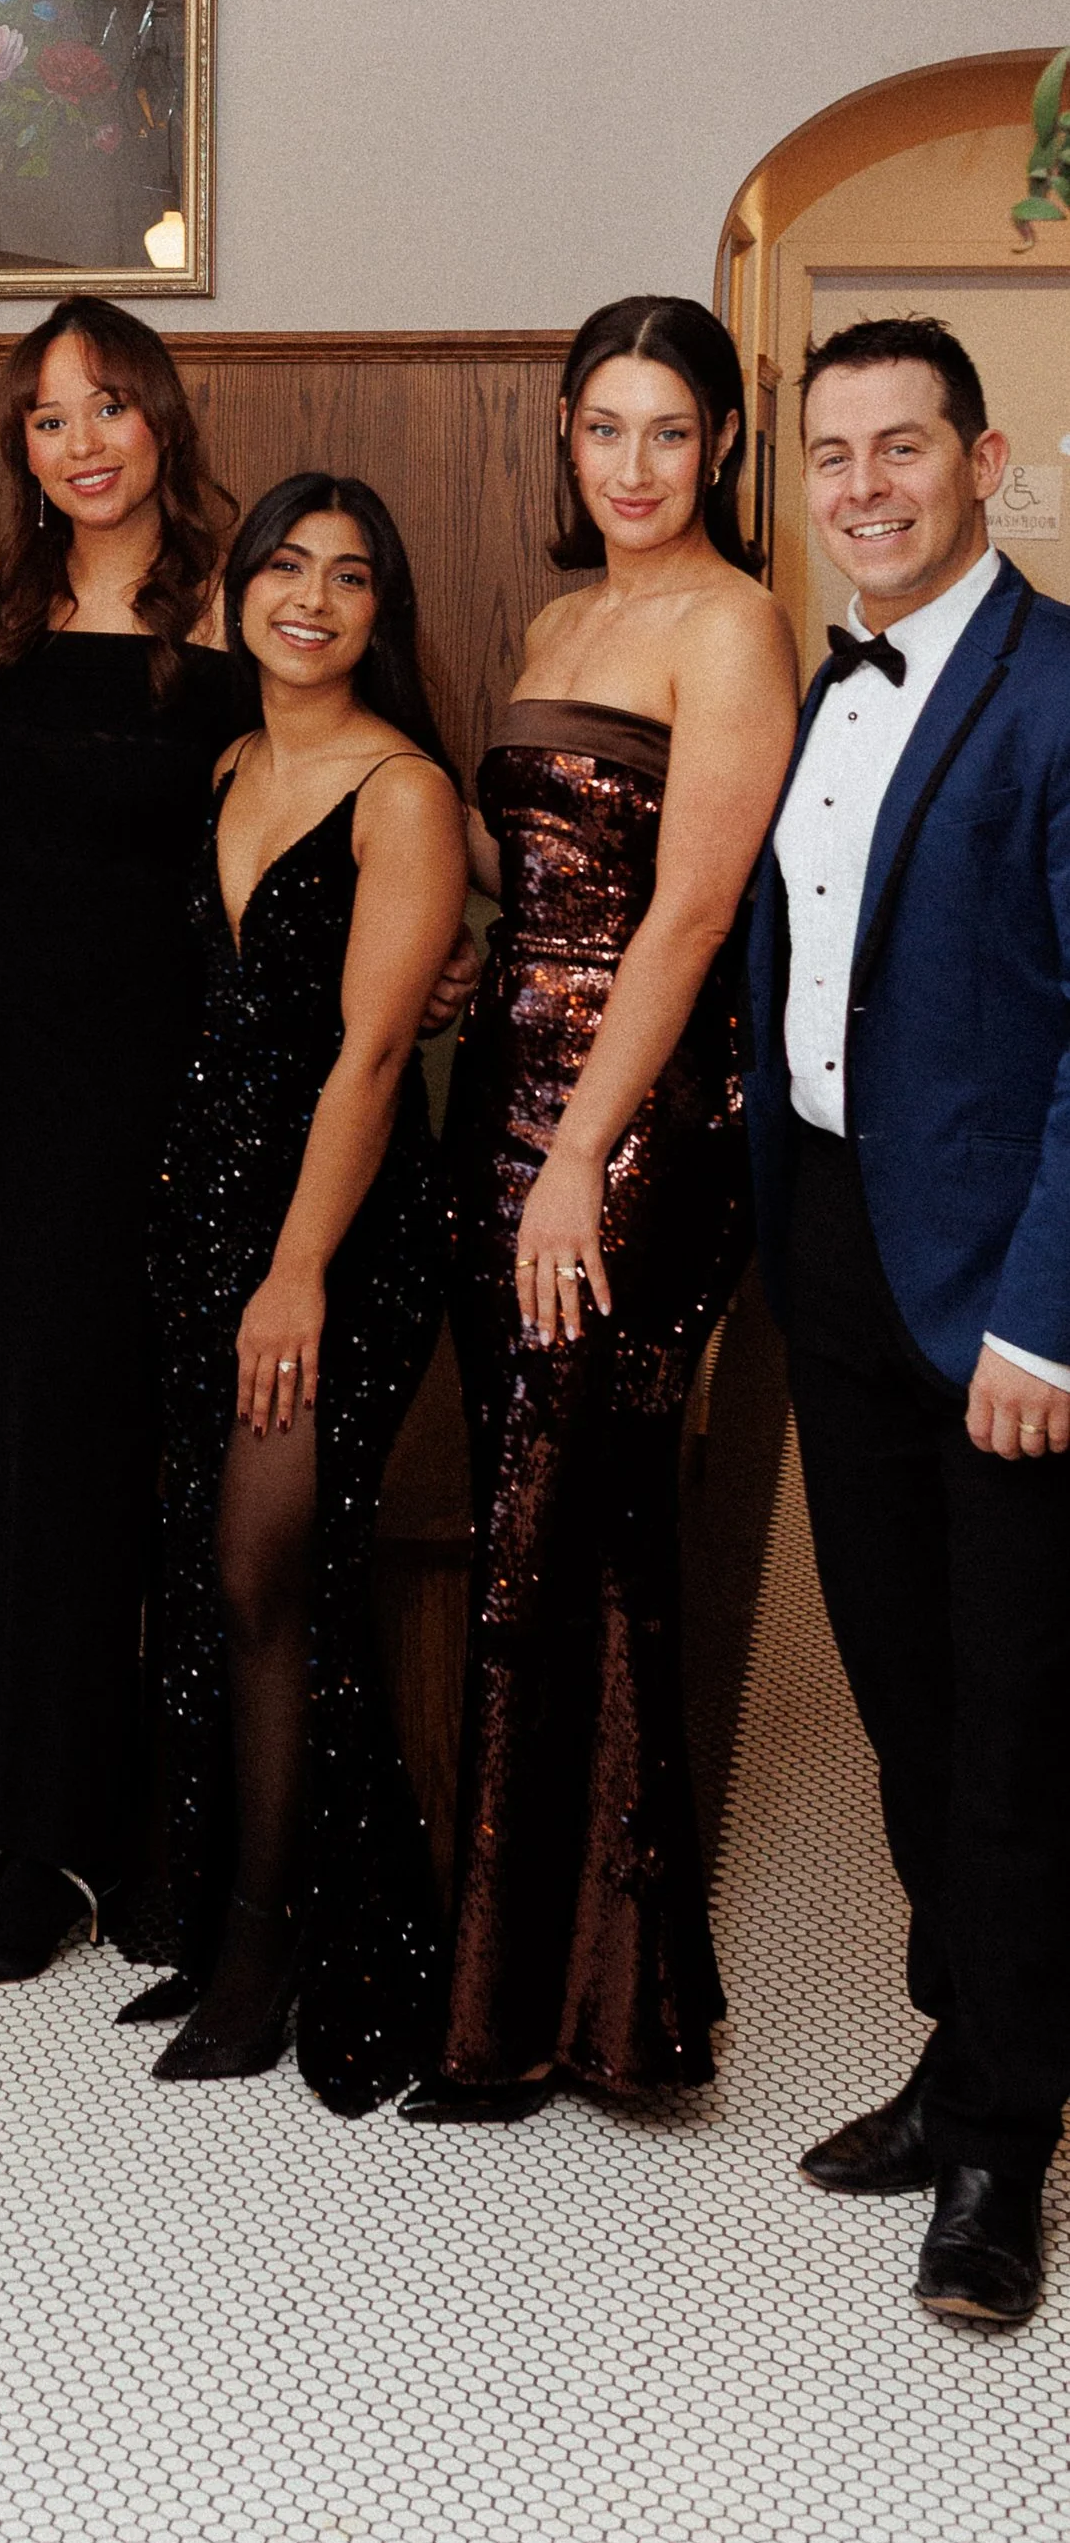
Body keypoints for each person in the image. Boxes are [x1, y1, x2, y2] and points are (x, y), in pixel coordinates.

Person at [409, 294, 796, 2125]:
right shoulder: (563, 619)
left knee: (561, 1526)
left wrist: (577, 1153)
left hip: (630, 1131)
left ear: (720, 445)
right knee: (545, 1521)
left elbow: (692, 912)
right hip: (502, 1089)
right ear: (567, 436)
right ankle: (584, 1988)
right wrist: (460, 957)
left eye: (670, 431)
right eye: (604, 429)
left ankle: (547, 2011)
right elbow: (547, 870)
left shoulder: (734, 625)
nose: (634, 466)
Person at [755, 316, 1070, 2330]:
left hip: (1004, 1295)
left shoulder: (1060, 689)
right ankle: (966, 2044)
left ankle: (1000, 2149)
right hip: (835, 1248)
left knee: (1017, 1723)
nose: (862, 485)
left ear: (982, 457)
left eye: (901, 446)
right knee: (898, 1686)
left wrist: (1048, 1320)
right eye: (832, 454)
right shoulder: (832, 678)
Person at [122, 477, 466, 2109]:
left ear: (382, 613)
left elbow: (375, 1056)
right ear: (236, 592)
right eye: (284, 567)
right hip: (201, 1215)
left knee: (269, 1569)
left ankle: (281, 1952)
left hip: (338, 1234)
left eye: (349, 575)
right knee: (215, 1568)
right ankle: (218, 1916)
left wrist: (298, 1275)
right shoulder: (224, 766)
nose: (311, 599)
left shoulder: (404, 793)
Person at [0, 298, 244, 1987]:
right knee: (27, 1445)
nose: (82, 444)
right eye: (49, 420)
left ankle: (178, 1832)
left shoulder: (243, 597)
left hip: (183, 1070)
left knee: (171, 1448)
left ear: (160, 417)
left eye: (108, 406)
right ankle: (35, 1841)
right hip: (20, 1071)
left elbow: (348, 787)